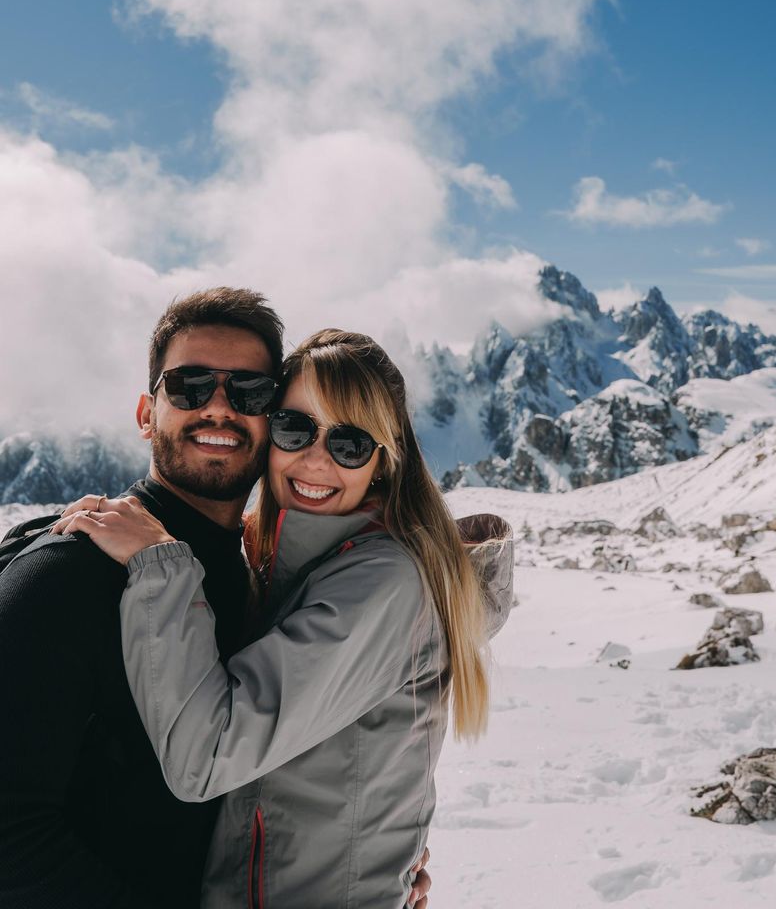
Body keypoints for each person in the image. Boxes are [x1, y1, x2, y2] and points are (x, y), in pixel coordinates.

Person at [0, 289, 433, 909]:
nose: (220, 408)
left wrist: (365, 854)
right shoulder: (69, 572)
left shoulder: (256, 587)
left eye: (251, 392)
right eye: (190, 386)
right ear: (148, 413)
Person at [58, 328, 514, 908]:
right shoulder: (299, 568)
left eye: (350, 443)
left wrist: (158, 562)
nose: (316, 460)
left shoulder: (384, 586)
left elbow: (207, 757)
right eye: (295, 429)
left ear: (383, 461)